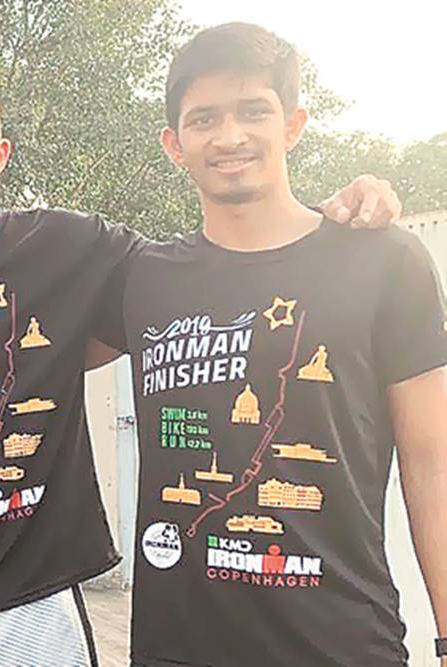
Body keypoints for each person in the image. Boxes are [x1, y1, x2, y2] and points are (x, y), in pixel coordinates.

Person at [0, 70, 401, 666]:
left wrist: (329, 218)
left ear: (0, 154)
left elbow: (216, 268)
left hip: (37, 609)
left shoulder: (69, 245)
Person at [92, 22, 447, 666]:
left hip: (342, 646)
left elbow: (433, 464)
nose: (229, 136)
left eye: (253, 110)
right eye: (203, 119)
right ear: (174, 144)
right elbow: (25, 348)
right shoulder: (142, 276)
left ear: (293, 124)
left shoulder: (385, 261)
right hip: (178, 649)